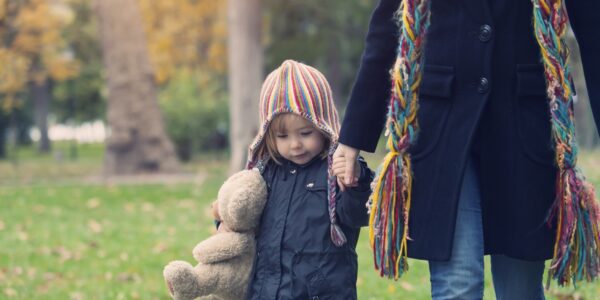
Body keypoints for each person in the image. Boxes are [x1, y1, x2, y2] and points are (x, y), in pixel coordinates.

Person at [333, 0, 600, 299]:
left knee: (520, 290)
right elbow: (388, 27)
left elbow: (594, 28)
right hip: (443, 127)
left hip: (524, 125)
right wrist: (353, 136)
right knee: (459, 285)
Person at [214, 59, 374, 299]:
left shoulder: (336, 170)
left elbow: (358, 216)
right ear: (269, 134)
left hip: (321, 292)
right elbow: (246, 223)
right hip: (266, 291)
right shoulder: (265, 173)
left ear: (324, 125)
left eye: (305, 133)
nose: (295, 144)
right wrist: (224, 222)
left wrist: (356, 182)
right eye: (283, 136)